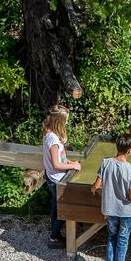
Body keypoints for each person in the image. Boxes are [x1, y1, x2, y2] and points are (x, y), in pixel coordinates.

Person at [90, 134, 131, 261]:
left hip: (110, 210)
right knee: (122, 240)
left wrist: (94, 191)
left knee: (111, 238)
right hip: (125, 212)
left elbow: (95, 186)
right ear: (130, 151)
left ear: (117, 146)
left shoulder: (105, 163)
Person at [42, 105, 82, 248]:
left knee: (56, 207)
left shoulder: (49, 133)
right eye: (66, 121)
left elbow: (61, 158)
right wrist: (73, 166)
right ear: (59, 121)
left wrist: (69, 161)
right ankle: (53, 238)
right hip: (56, 179)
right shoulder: (53, 140)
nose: (67, 123)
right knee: (62, 210)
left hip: (52, 177)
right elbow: (56, 164)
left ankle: (55, 234)